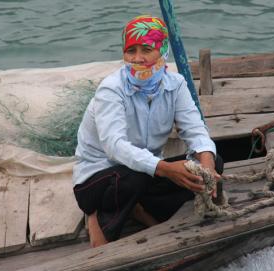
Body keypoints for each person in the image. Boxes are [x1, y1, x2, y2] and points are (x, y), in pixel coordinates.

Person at [72, 15, 223, 248]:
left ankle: (136, 208)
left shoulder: (176, 85)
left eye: (146, 49)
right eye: (131, 51)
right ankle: (95, 217)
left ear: (162, 52)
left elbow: (195, 130)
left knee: (211, 163)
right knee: (134, 177)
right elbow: (114, 146)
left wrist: (207, 163)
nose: (138, 58)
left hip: (146, 171)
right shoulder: (111, 89)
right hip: (98, 181)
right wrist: (164, 168)